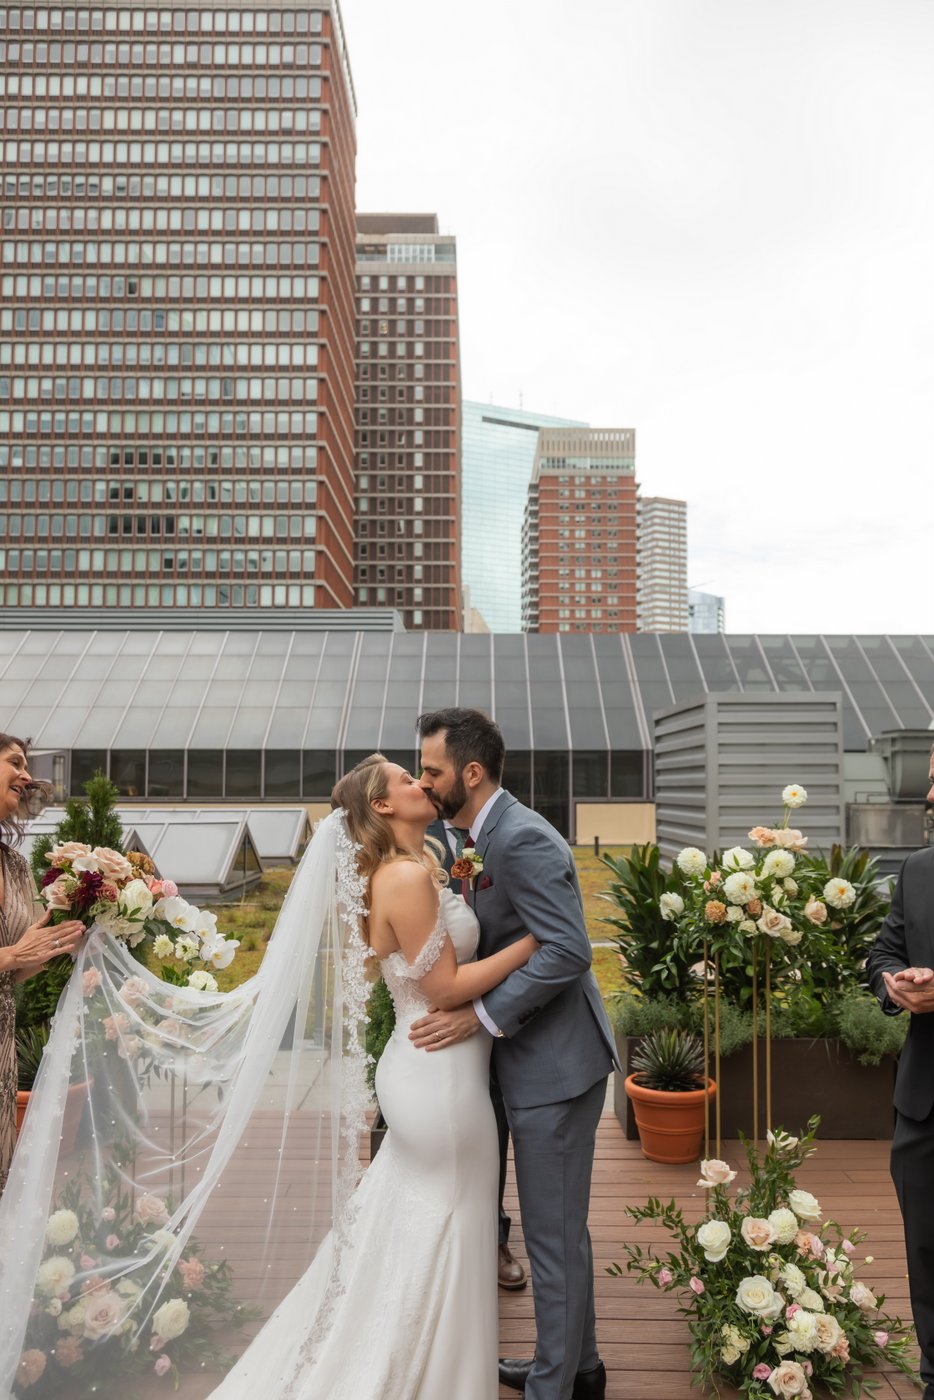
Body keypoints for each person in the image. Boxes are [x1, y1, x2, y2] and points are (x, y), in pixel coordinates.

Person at [205, 755, 540, 1398]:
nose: (422, 782)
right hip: (438, 1080)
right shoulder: (403, 877)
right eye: (407, 779)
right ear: (382, 806)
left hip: (432, 1073)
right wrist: (534, 942)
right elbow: (443, 987)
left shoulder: (418, 867)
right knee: (450, 1226)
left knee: (422, 1226)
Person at [414, 708, 617, 1400]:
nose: (424, 780)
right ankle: (575, 1367)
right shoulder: (472, 834)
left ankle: (551, 1389)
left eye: (432, 770)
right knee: (559, 1234)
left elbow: (568, 949)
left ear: (471, 773)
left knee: (553, 1242)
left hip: (556, 1070)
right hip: (528, 1064)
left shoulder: (523, 838)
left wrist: (482, 1017)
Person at [428, 813, 527, 1291]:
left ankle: (493, 1236)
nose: (424, 784)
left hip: (498, 1006)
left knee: (492, 1129)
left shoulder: (495, 832)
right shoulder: (416, 842)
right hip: (437, 1011)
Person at [866, 745, 934, 1400]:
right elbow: (883, 952)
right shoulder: (917, 871)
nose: (931, 797)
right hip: (924, 1102)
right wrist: (895, 983)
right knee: (926, 1253)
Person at [0, 733, 84, 1195]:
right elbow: (10, 956)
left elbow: (17, 966)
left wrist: (57, 944)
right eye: (15, 762)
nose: (28, 775)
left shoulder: (14, 866)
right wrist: (13, 954)